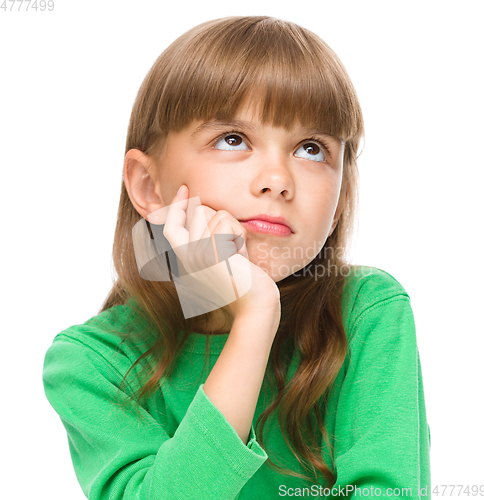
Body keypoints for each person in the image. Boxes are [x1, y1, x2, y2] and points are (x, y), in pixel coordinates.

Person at [42, 15, 431, 500]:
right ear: (148, 185)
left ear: (337, 201)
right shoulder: (91, 363)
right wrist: (254, 315)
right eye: (233, 139)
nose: (277, 179)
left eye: (311, 149)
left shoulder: (366, 313)